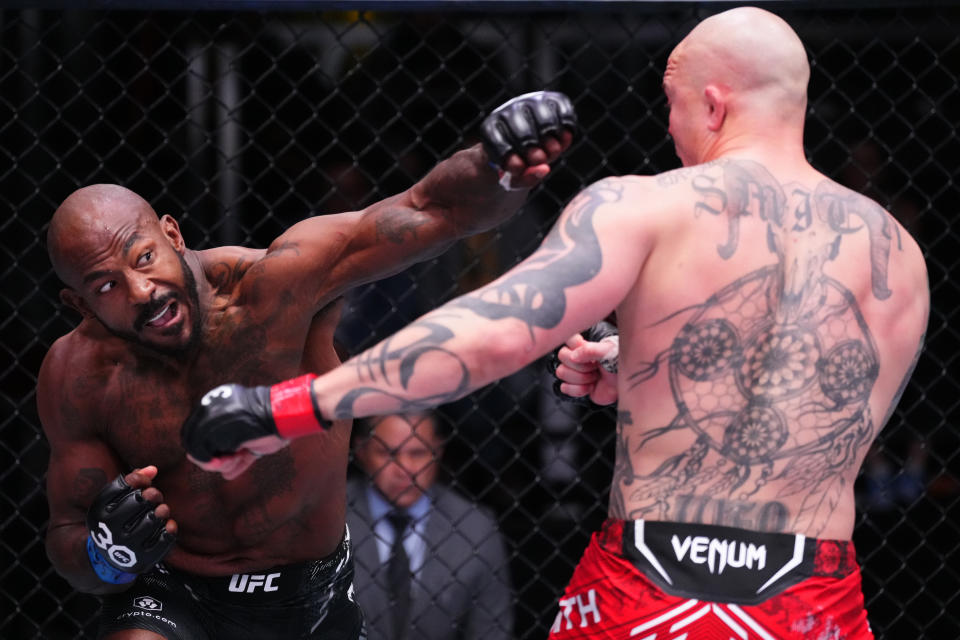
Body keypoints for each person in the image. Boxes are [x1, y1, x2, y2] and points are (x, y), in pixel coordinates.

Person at [182, 7, 930, 639]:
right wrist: (642, 365)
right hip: (812, 601)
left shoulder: (645, 206)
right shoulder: (897, 251)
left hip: (652, 590)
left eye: (670, 106)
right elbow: (814, 406)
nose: (670, 132)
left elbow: (497, 334)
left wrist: (282, 407)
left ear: (712, 103)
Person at [36, 90, 575, 640]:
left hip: (313, 597)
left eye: (144, 256)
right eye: (107, 286)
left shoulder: (276, 286)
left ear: (172, 235)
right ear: (80, 305)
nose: (142, 290)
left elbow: (430, 210)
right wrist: (107, 556)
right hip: (175, 596)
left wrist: (497, 163)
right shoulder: (79, 375)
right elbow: (67, 538)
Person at [348, 411, 512, 640]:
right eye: (388, 453)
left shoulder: (476, 529)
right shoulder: (330, 520)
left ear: (438, 452)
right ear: (362, 451)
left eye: (418, 453)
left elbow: (491, 632)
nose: (404, 468)